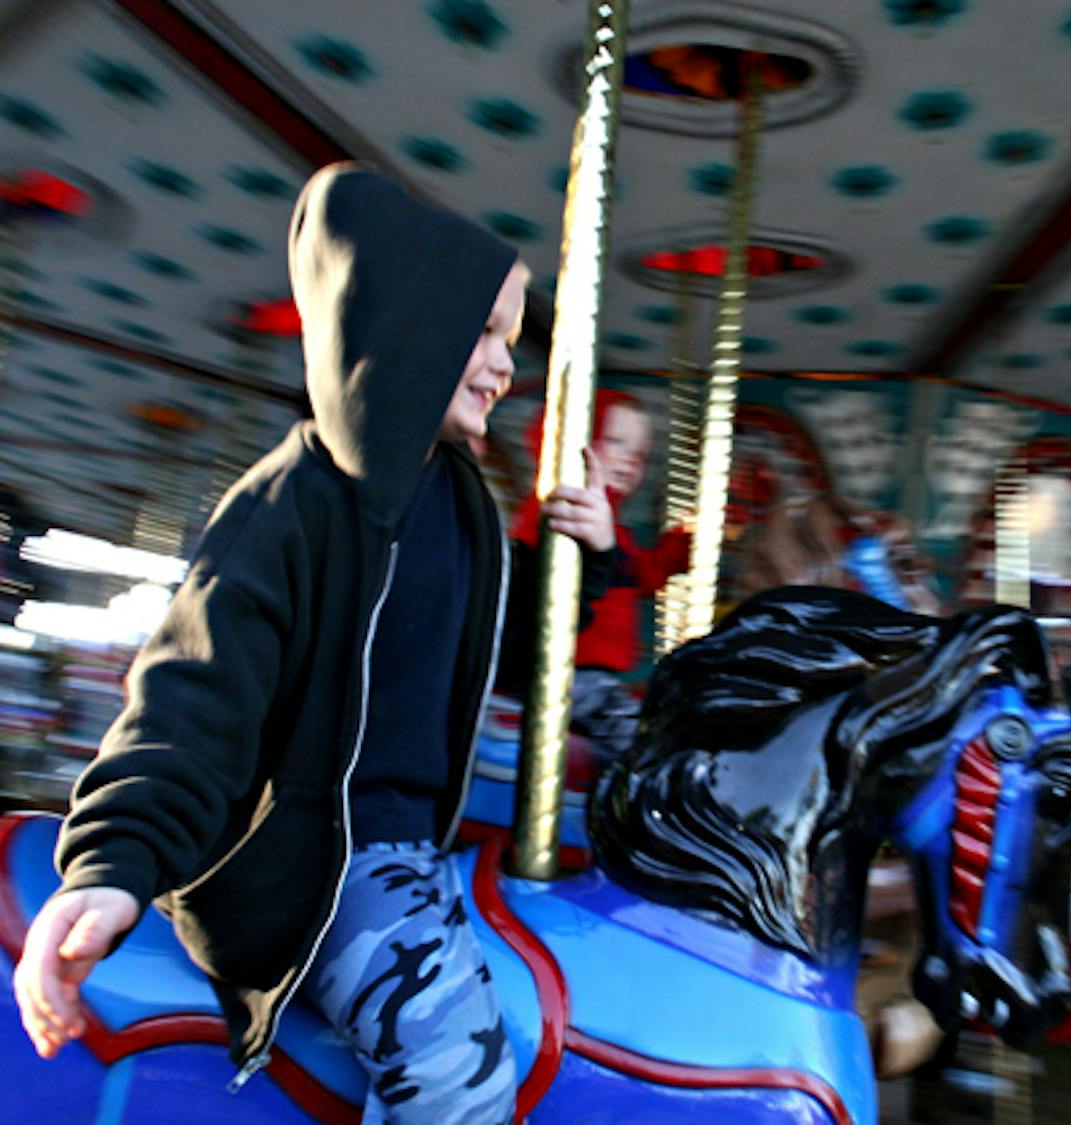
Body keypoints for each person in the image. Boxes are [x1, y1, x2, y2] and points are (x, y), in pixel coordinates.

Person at [11, 164, 618, 1123]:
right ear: (410, 323)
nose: (506, 365)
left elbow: (490, 658)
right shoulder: (293, 501)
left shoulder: (461, 500)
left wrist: (588, 562)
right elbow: (191, 697)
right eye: (485, 334)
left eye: (511, 339)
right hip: (327, 864)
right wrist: (114, 862)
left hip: (421, 851)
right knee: (463, 1083)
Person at [512, 389, 690, 761]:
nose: (630, 461)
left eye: (640, 455)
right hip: (570, 671)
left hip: (599, 676)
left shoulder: (616, 532)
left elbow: (640, 575)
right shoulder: (560, 505)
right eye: (616, 443)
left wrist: (684, 544)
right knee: (644, 750)